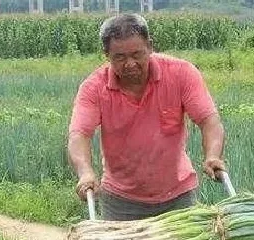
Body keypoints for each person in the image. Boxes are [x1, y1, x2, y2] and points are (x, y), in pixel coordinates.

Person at [67, 13, 226, 221]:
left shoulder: (181, 73)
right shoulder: (94, 88)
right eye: (120, 57)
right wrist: (85, 172)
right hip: (121, 202)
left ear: (150, 46)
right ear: (107, 55)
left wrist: (212, 155)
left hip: (178, 197)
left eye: (136, 54)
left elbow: (209, 121)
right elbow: (79, 134)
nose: (130, 63)